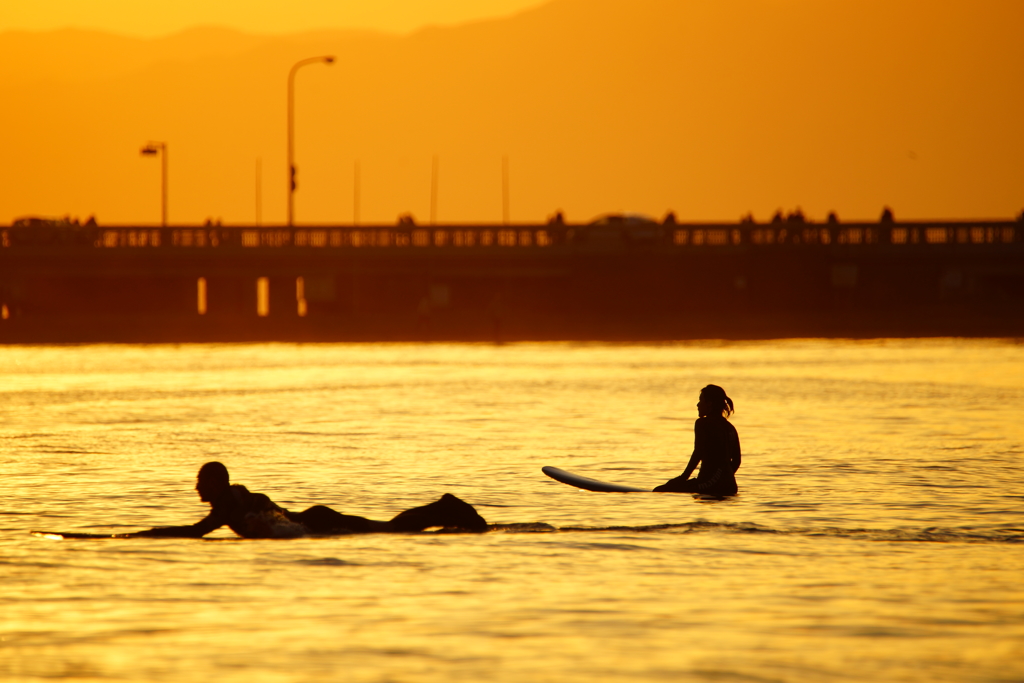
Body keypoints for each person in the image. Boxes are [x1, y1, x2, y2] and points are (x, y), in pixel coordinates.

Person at [136, 462, 488, 538]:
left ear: (214, 483)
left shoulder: (228, 503)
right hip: (312, 520)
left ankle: (445, 508)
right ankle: (443, 509)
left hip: (316, 522)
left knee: (389, 530)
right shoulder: (233, 497)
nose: (196, 489)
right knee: (388, 529)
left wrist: (143, 535)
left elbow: (197, 532)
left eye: (200, 482)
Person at [654, 385, 741, 496]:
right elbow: (737, 461)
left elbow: (698, 452)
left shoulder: (702, 423)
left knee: (659, 490)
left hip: (709, 484)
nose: (698, 404)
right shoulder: (730, 427)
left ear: (709, 404)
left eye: (701, 400)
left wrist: (683, 478)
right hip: (731, 486)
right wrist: (724, 477)